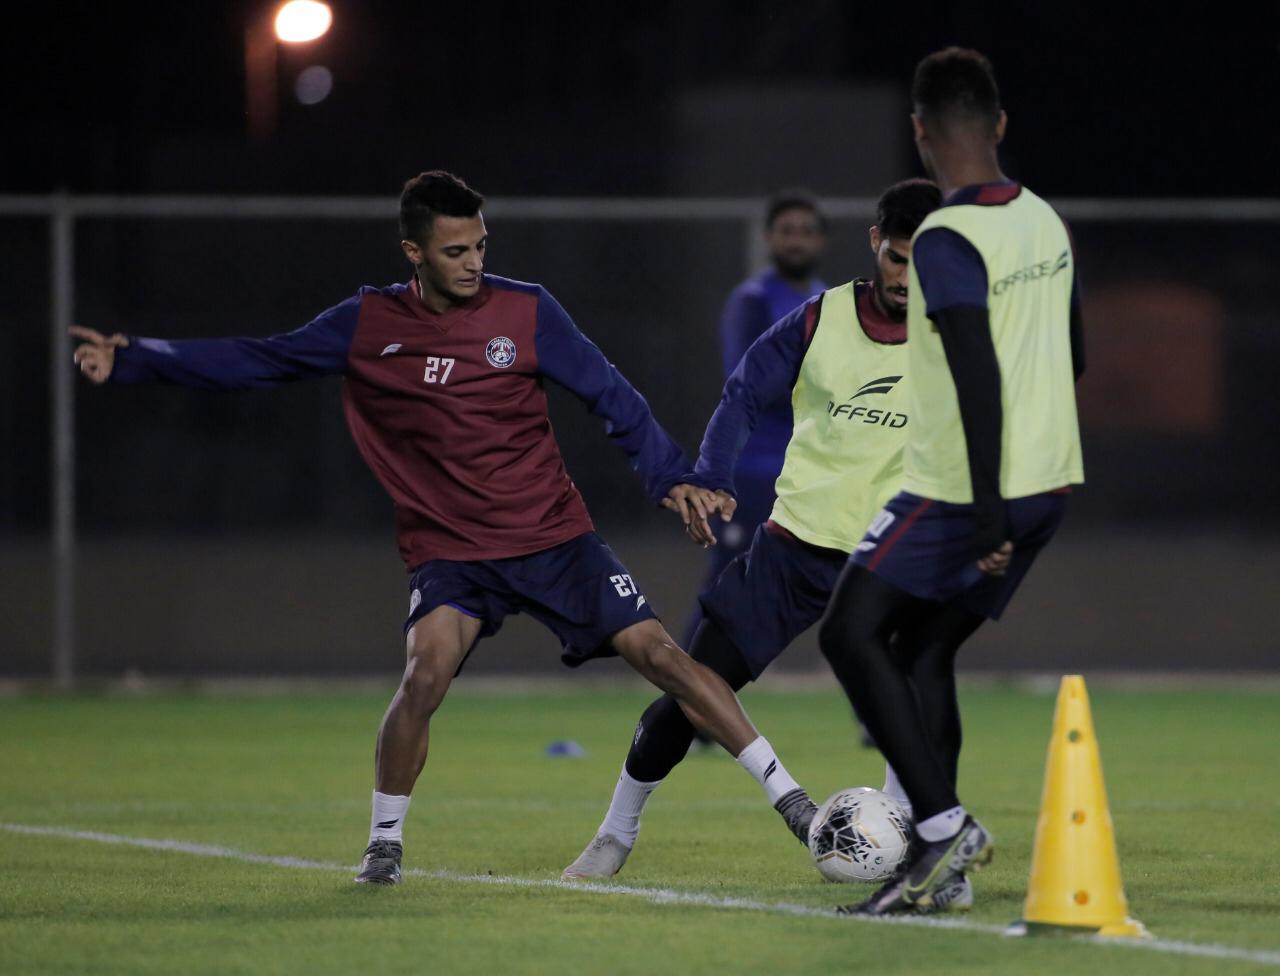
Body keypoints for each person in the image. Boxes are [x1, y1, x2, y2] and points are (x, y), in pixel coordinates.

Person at [70, 170, 814, 886]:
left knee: (665, 656)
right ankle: (385, 845)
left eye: (481, 246)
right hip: (452, 553)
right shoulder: (367, 323)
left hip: (554, 537)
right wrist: (136, 358)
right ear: (413, 253)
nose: (473, 263)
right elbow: (258, 361)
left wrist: (668, 477)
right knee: (423, 676)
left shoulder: (526, 311)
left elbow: (610, 394)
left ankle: (794, 804)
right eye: (455, 251)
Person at [563, 180, 973, 910]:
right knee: (687, 692)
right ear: (877, 243)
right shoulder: (817, 319)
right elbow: (744, 394)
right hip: (795, 549)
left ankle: (929, 856)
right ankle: (615, 834)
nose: (909, 278)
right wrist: (714, 475)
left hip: (893, 554)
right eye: (900, 259)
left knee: (916, 701)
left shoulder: (955, 334)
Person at [819, 49, 1086, 916]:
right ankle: (944, 869)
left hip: (966, 487)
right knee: (922, 649)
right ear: (1000, 124)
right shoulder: (1044, 220)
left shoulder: (944, 235)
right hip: (1049, 480)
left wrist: (982, 512)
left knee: (849, 633)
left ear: (921, 132)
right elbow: (1073, 354)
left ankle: (940, 829)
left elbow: (973, 369)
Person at [680, 190, 827, 652]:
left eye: (805, 231)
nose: (796, 241)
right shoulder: (753, 299)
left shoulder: (829, 301)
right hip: (756, 468)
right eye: (787, 231)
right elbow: (746, 382)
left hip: (811, 469)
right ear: (768, 239)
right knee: (730, 580)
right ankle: (685, 692)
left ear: (820, 241)